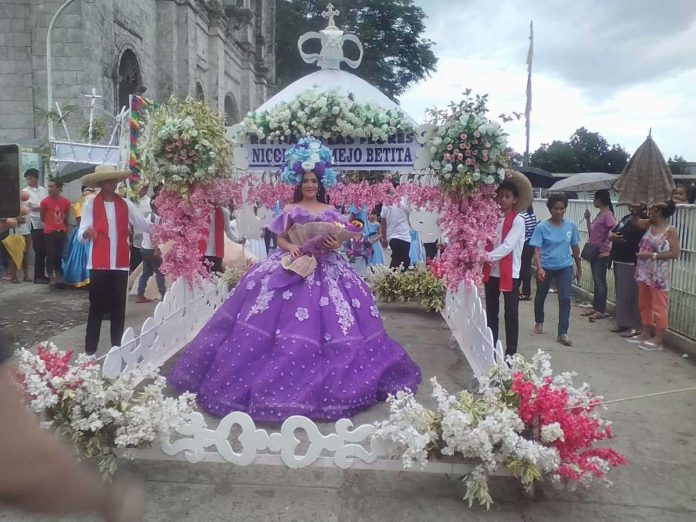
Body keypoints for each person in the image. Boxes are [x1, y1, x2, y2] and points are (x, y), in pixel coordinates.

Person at [168, 137, 421, 421]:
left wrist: (332, 244)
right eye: (305, 181)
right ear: (298, 183)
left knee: (337, 322)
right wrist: (293, 248)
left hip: (328, 268)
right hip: (292, 264)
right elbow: (280, 238)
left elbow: (340, 241)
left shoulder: (332, 211)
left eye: (314, 180)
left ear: (321, 181)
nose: (310, 185)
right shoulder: (289, 209)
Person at [77, 165, 153, 355]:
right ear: (101, 183)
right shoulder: (90, 204)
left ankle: (117, 349)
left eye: (113, 181)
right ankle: (89, 353)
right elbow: (80, 233)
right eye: (107, 181)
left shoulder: (126, 204)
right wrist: (86, 233)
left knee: (119, 308)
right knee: (96, 308)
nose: (111, 184)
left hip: (119, 264)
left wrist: (168, 230)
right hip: (98, 264)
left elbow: (144, 225)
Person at [483, 174, 529, 357]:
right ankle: (492, 349)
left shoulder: (518, 220)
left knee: (511, 315)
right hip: (492, 272)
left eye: (507, 196)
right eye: (500, 196)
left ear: (515, 199)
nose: (503, 200)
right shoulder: (492, 218)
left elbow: (508, 246)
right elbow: (485, 240)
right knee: (491, 313)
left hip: (511, 273)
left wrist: (485, 256)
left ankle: (511, 353)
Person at [530, 194, 582, 346]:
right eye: (555, 208)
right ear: (550, 209)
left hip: (565, 267)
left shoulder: (571, 226)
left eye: (562, 208)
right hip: (546, 267)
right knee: (541, 295)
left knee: (565, 298)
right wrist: (539, 267)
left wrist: (578, 267)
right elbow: (537, 250)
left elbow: (575, 248)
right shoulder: (541, 227)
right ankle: (539, 321)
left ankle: (563, 332)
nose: (559, 211)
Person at [629, 201, 681, 351]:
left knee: (659, 306)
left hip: (659, 274)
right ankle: (645, 332)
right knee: (644, 303)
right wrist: (635, 212)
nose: (649, 209)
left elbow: (675, 253)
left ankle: (658, 338)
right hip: (644, 272)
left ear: (658, 210)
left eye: (652, 207)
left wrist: (651, 255)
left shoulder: (670, 230)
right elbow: (635, 223)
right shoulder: (649, 224)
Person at [582, 189, 618, 321]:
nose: (593, 201)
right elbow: (592, 233)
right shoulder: (600, 214)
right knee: (597, 281)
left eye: (594, 199)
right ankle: (596, 307)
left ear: (599, 200)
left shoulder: (607, 215)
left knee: (600, 281)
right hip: (594, 250)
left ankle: (600, 309)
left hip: (600, 252)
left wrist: (606, 246)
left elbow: (613, 229)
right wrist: (588, 219)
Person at [62, 186, 97, 288]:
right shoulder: (79, 204)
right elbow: (79, 221)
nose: (87, 196)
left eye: (89, 193)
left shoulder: (96, 203)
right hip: (83, 232)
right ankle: (81, 278)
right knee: (81, 256)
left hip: (94, 232)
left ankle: (92, 279)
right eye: (85, 194)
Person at [40, 179, 71, 289]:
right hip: (49, 232)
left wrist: (64, 228)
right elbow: (42, 216)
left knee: (59, 255)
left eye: (52, 186)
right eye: (48, 186)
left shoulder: (66, 202)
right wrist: (50, 225)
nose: (49, 189)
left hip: (61, 231)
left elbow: (66, 216)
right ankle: (51, 277)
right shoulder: (44, 202)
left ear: (58, 188)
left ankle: (59, 276)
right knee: (50, 255)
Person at [135, 194, 166, 303]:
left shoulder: (151, 216)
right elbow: (153, 235)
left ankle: (140, 294)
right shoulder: (154, 218)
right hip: (151, 248)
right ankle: (164, 295)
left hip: (145, 247)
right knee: (160, 272)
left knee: (147, 272)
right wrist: (157, 249)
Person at [22, 168, 49, 284]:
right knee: (39, 250)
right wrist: (44, 207)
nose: (29, 181)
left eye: (30, 178)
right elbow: (34, 207)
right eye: (27, 179)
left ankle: (43, 275)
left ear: (36, 178)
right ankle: (38, 276)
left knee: (45, 250)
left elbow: (46, 204)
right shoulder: (25, 192)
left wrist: (44, 207)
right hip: (34, 223)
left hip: (45, 222)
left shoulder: (43, 190)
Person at [200, 206, 241, 273]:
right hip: (202, 251)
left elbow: (228, 231)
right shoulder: (199, 210)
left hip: (217, 252)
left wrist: (238, 240)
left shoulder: (224, 212)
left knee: (216, 275)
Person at [380, 197, 411, 270]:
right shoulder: (403, 201)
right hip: (404, 236)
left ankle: (392, 276)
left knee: (400, 259)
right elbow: (412, 215)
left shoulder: (385, 204)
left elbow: (383, 222)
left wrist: (384, 238)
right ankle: (390, 277)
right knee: (401, 261)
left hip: (392, 237)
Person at [129, 181, 151, 272]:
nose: (141, 190)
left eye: (144, 188)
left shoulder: (149, 202)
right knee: (134, 263)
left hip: (145, 237)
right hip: (133, 238)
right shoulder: (132, 201)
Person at [518, 205, 538, 300]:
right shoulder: (531, 214)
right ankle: (526, 291)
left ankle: (525, 292)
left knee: (522, 269)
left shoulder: (522, 216)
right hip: (531, 242)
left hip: (524, 243)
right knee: (526, 268)